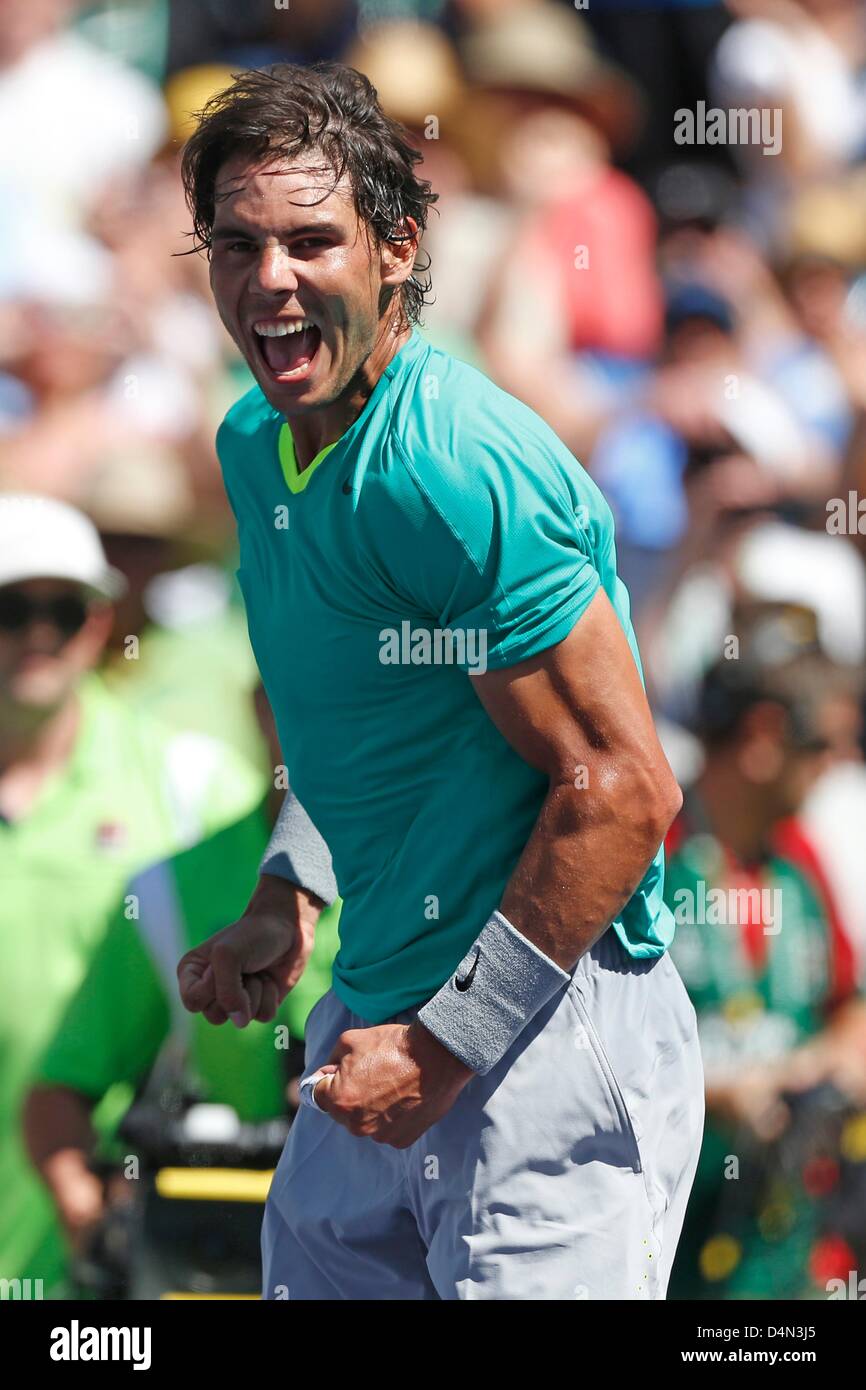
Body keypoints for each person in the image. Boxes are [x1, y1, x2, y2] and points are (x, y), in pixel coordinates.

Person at [176, 62, 704, 1301]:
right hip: (377, 1020)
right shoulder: (255, 444)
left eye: (312, 241)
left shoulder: (452, 464)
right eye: (238, 244)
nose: (270, 282)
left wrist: (444, 1047)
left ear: (398, 249)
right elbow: (374, 716)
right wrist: (288, 891)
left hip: (546, 1034)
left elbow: (623, 791)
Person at [0, 493, 263, 1295]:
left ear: (99, 621)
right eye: (12, 609)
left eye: (64, 609)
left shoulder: (195, 788)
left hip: (124, 1246)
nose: (39, 634)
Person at [24, 685, 341, 1277]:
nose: (327, 721)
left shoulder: (447, 874)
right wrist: (92, 1217)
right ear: (258, 705)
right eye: (302, 692)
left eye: (357, 698)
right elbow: (59, 1093)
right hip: (219, 1255)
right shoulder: (168, 887)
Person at [665, 613, 866, 1298]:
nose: (838, 765)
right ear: (761, 737)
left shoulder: (803, 862)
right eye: (822, 745)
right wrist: (720, 1094)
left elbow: (853, 1011)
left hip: (784, 1252)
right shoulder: (646, 858)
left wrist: (819, 1070)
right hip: (665, 1244)